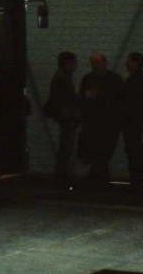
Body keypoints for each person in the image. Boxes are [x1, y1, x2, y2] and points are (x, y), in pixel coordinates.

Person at [79, 53, 124, 188]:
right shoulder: (94, 79)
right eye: (94, 63)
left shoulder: (111, 79)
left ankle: (98, 180)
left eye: (98, 62)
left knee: (101, 153)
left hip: (108, 122)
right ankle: (100, 180)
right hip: (96, 122)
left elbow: (120, 101)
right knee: (100, 153)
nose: (96, 65)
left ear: (104, 63)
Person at [43, 51, 81, 189]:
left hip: (65, 117)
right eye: (74, 62)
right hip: (67, 117)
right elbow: (68, 98)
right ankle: (61, 179)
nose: (76, 64)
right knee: (66, 148)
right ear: (68, 63)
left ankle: (61, 178)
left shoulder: (62, 77)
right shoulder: (63, 79)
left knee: (65, 148)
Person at [122, 52, 143, 193]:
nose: (126, 63)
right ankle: (138, 182)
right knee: (135, 151)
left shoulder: (135, 80)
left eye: (129, 61)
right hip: (135, 122)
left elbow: (131, 103)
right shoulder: (140, 79)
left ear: (135, 63)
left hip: (132, 122)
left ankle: (137, 182)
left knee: (134, 151)